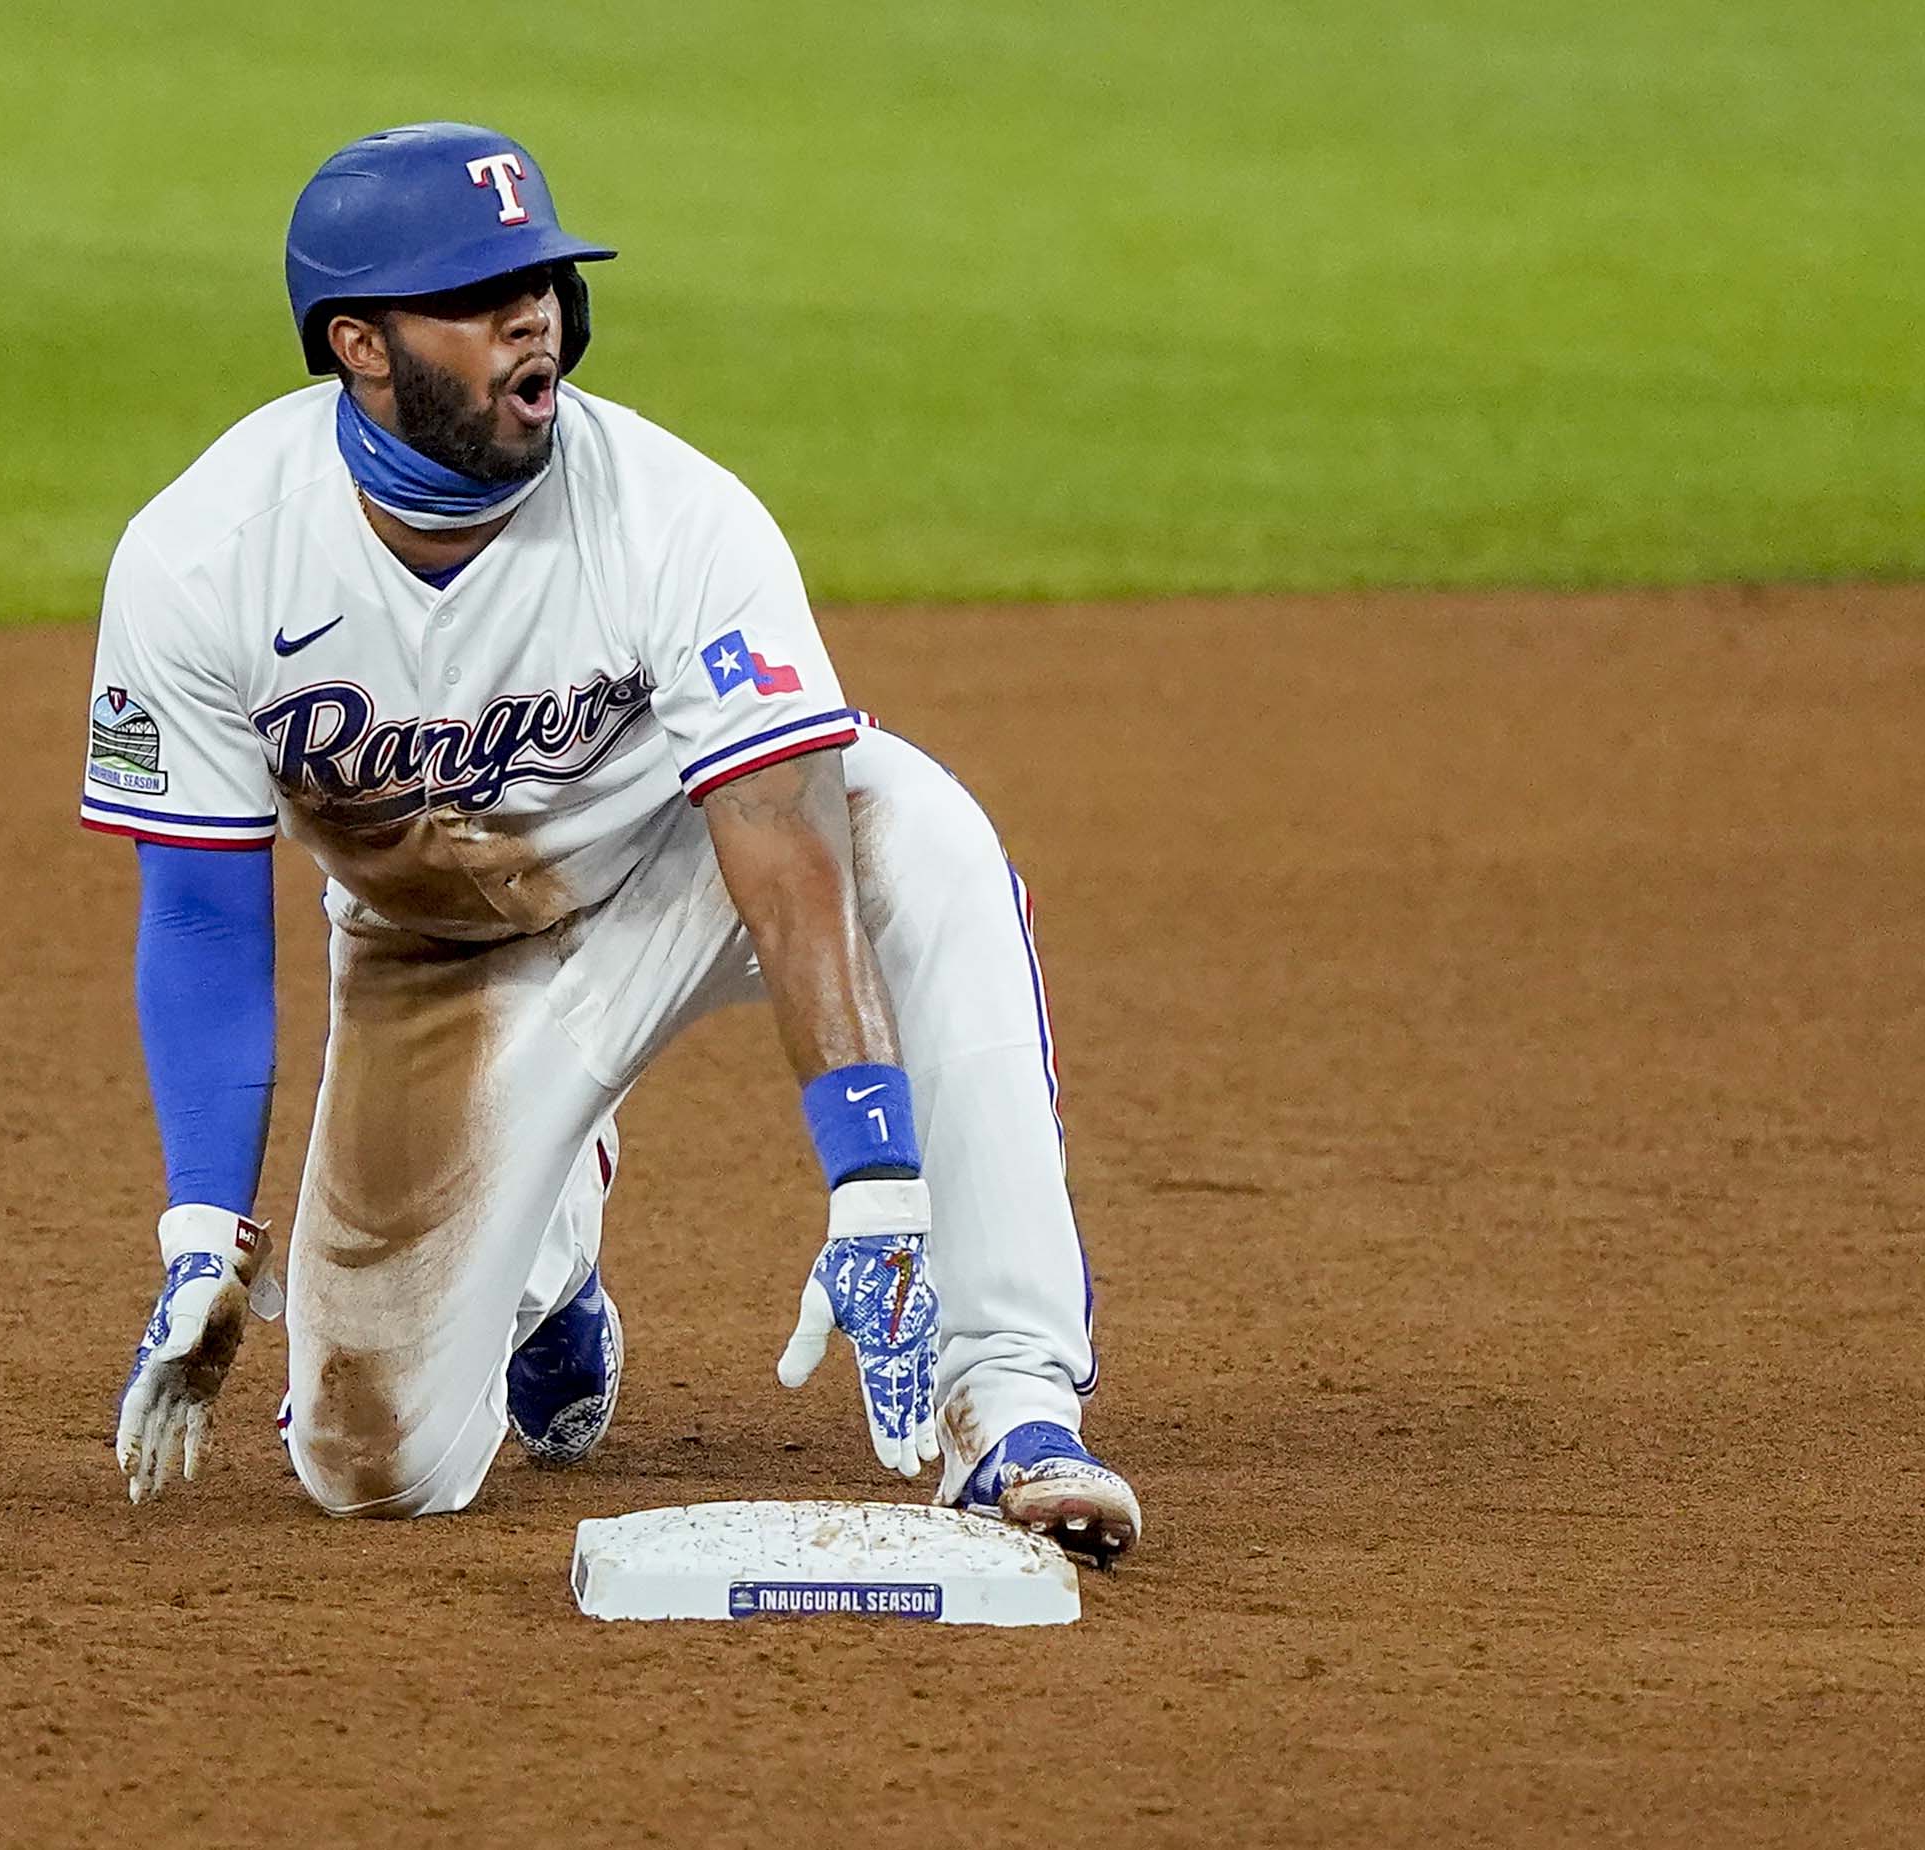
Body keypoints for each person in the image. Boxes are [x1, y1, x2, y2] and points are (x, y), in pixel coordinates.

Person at [82, 122, 1138, 1560]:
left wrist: (874, 1174)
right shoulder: (204, 557)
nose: (532, 314)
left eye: (542, 278)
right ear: (358, 345)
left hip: (687, 867)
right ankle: (548, 1248)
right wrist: (201, 1230)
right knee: (368, 1466)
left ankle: (1009, 1400)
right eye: (475, 293)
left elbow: (780, 829)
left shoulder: (674, 514)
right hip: (435, 966)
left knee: (918, 830)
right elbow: (202, 912)